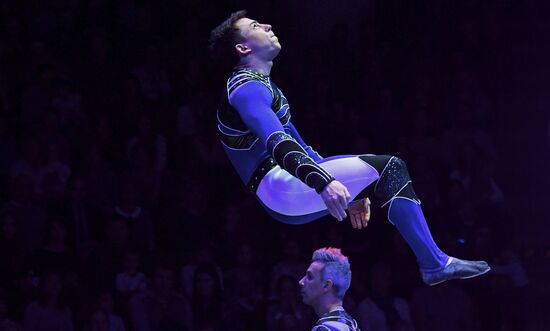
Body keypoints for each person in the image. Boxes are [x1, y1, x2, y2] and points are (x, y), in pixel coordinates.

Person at [209, 10, 490, 286]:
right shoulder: (245, 88)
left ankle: (435, 262)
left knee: (385, 173)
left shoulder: (263, 86)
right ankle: (434, 264)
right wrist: (323, 182)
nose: (268, 25)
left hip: (283, 188)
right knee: (389, 167)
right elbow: (278, 144)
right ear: (242, 47)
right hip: (277, 185)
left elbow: (301, 147)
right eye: (257, 25)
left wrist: (350, 189)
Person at [299, 248, 360, 331]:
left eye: (310, 277)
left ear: (326, 286)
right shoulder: (352, 325)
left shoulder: (325, 329)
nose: (301, 282)